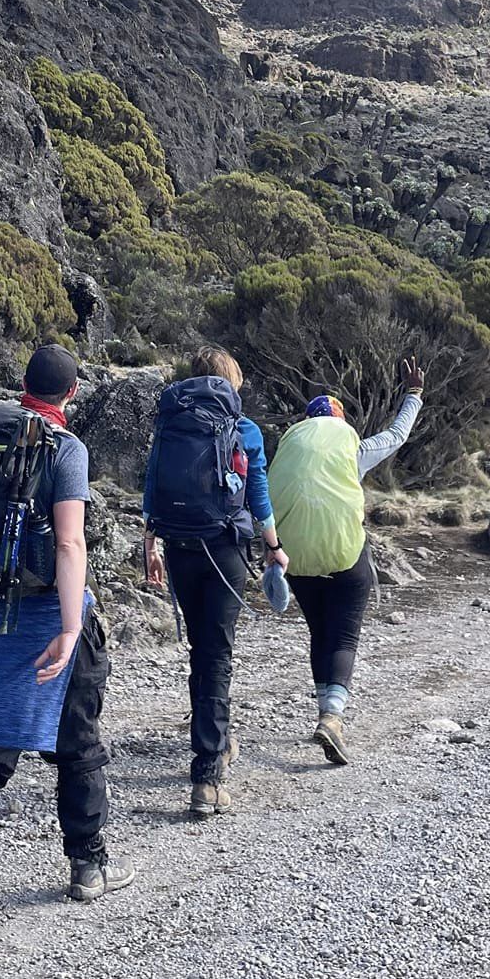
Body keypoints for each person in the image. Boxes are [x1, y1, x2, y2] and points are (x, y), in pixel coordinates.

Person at [0, 343, 132, 936]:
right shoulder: (67, 449)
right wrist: (69, 628)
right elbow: (69, 544)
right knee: (79, 746)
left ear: (24, 388)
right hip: (48, 614)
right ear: (73, 393)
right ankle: (88, 867)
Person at [143, 347, 287, 822]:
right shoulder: (242, 429)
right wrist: (273, 546)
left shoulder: (171, 422)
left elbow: (153, 483)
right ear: (232, 381)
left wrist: (151, 542)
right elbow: (258, 494)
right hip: (225, 549)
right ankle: (208, 775)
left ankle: (217, 742)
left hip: (180, 545)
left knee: (201, 651)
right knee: (217, 655)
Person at [267, 359, 425, 766]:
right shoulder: (352, 447)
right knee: (344, 636)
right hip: (344, 554)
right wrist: (413, 394)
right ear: (339, 421)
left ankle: (325, 710)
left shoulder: (287, 448)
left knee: (320, 631)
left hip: (294, 556)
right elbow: (396, 434)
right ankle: (332, 717)